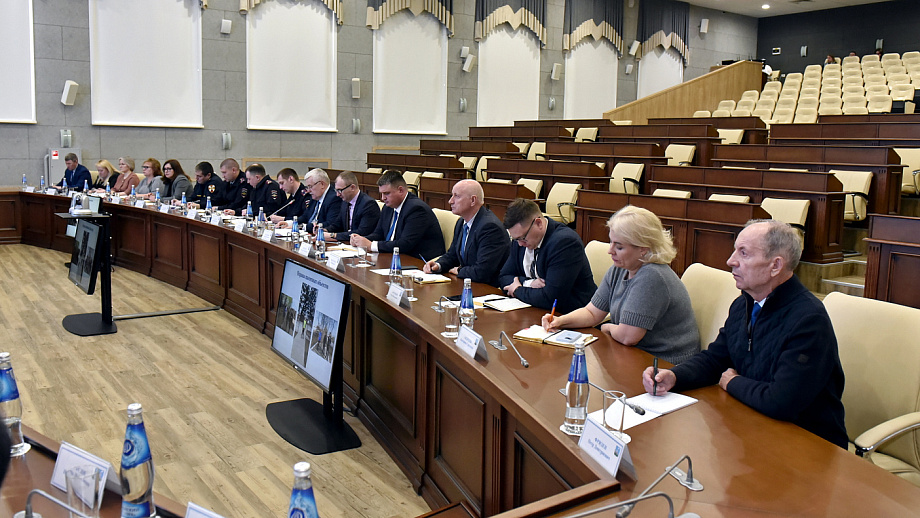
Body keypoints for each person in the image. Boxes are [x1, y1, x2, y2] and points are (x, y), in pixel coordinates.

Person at [642, 220, 847, 448]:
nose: (731, 261)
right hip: (754, 423)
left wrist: (733, 382)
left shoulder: (808, 320)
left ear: (776, 266)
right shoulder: (744, 304)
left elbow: (781, 401)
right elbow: (715, 359)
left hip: (807, 442)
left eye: (744, 253)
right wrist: (674, 376)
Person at [542, 206, 699, 364]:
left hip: (665, 362)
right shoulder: (620, 268)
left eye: (619, 247)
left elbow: (628, 337)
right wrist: (560, 321)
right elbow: (592, 312)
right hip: (633, 353)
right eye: (611, 242)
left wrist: (607, 327)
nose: (610, 251)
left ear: (643, 249)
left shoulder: (652, 276)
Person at [497, 198, 596, 313]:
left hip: (571, 314)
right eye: (516, 239)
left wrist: (517, 290)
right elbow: (504, 277)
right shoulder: (520, 239)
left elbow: (551, 298)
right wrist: (528, 283)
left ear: (538, 223)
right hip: (533, 309)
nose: (520, 244)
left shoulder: (565, 243)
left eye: (522, 238)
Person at [423, 179, 509, 286]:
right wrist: (438, 265)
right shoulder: (461, 222)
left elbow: (482, 272)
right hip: (469, 283)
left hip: (487, 288)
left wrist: (459, 271)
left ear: (473, 200)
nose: (450, 201)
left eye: (457, 196)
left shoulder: (490, 227)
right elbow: (453, 255)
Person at [350, 170, 445, 260]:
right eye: (381, 194)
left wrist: (371, 245)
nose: (383, 198)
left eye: (386, 193)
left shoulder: (417, 209)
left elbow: (405, 244)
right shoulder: (388, 207)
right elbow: (379, 234)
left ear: (400, 190)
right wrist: (360, 240)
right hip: (394, 257)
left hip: (418, 261)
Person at [322, 171, 380, 242]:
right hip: (347, 243)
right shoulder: (345, 201)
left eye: (340, 190)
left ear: (352, 187)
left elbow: (362, 232)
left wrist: (333, 235)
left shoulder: (368, 204)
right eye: (336, 190)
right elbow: (338, 224)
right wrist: (325, 230)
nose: (337, 194)